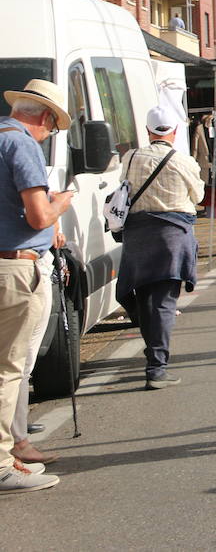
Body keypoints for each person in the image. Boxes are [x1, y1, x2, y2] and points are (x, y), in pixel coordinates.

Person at [0, 80, 73, 493]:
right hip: (13, 266)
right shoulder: (22, 145)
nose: (49, 135)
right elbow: (37, 217)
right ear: (44, 117)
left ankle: (9, 453)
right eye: (53, 127)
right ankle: (2, 463)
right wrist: (60, 202)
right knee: (9, 370)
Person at [116, 106, 205, 389]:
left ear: (147, 131)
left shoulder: (131, 157)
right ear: (176, 132)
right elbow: (199, 195)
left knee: (144, 298)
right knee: (164, 302)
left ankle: (154, 351)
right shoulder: (184, 161)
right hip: (172, 237)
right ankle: (156, 367)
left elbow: (124, 188)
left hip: (138, 236)